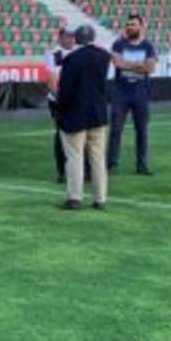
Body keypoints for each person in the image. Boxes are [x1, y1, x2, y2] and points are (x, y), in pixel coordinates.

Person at [56, 25, 112, 210]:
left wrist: (60, 109)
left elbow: (66, 90)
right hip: (97, 113)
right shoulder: (103, 56)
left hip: (75, 113)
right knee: (97, 157)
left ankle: (75, 197)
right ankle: (100, 198)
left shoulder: (72, 59)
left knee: (74, 156)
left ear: (77, 39)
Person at [109, 14, 157, 175]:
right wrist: (138, 65)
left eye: (133, 25)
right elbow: (117, 63)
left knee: (141, 130)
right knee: (116, 128)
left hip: (140, 93)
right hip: (120, 92)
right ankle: (112, 164)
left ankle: (142, 165)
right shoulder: (118, 44)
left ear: (141, 27)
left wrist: (127, 65)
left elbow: (150, 69)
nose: (129, 27)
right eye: (128, 24)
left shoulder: (148, 46)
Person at [43, 27, 78, 183]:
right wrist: (61, 98)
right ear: (60, 38)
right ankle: (62, 171)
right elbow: (52, 80)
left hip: (75, 99)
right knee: (61, 134)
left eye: (72, 37)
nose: (71, 40)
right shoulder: (54, 55)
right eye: (68, 37)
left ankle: (80, 169)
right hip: (60, 100)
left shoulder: (77, 53)